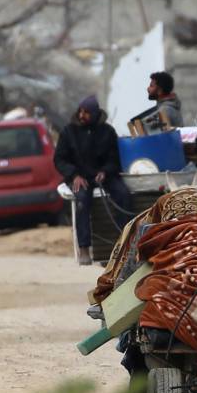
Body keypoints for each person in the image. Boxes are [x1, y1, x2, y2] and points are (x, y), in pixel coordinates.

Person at [55, 95, 133, 266]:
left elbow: (114, 158)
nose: (82, 115)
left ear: (95, 114)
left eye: (87, 113)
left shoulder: (108, 132)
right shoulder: (68, 132)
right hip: (79, 177)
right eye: (80, 111)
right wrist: (73, 175)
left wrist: (106, 171)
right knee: (82, 200)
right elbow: (60, 159)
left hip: (103, 176)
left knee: (123, 195)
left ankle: (126, 244)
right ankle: (84, 248)